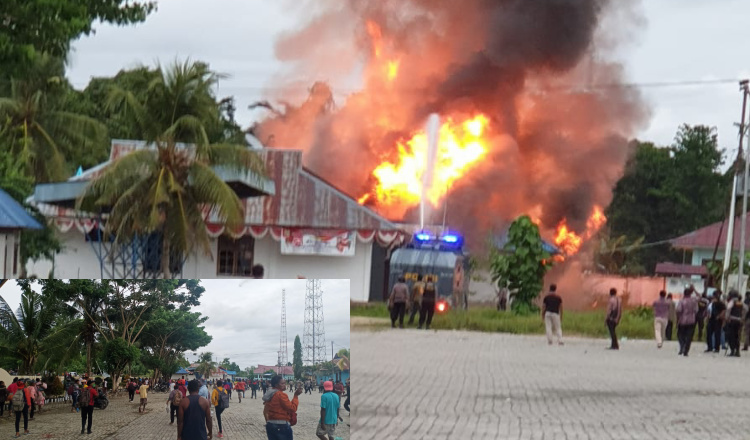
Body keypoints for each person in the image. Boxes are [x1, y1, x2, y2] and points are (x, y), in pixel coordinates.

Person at [263, 375, 302, 440]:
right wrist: (296, 396)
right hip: (281, 426)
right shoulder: (280, 395)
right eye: (282, 383)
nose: (285, 385)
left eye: (285, 383)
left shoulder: (270, 394)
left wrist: (269, 422)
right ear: (276, 385)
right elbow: (292, 408)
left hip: (271, 424)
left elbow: (265, 411)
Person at [676, 287, 698, 356]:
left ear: (684, 293)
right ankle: (686, 350)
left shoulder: (682, 301)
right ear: (690, 294)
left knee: (680, 335)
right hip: (691, 321)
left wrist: (677, 319)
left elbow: (678, 310)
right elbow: (696, 310)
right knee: (689, 336)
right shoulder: (694, 301)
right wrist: (694, 289)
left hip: (683, 320)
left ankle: (682, 346)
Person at [725, 290, 747, 357]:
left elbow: (728, 309)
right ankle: (737, 351)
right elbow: (746, 309)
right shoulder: (740, 302)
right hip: (739, 321)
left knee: (731, 336)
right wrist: (742, 317)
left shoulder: (732, 302)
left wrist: (727, 317)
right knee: (737, 336)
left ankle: (732, 351)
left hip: (732, 320)